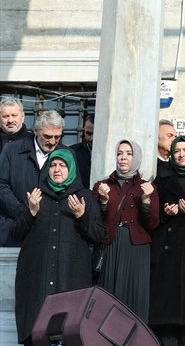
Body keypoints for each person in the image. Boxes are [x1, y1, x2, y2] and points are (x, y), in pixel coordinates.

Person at [12, 149, 104, 345]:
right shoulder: (36, 194)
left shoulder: (84, 197)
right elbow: (16, 232)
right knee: (36, 334)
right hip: (37, 282)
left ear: (70, 168)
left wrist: (82, 216)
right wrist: (31, 212)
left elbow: (98, 235)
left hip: (70, 279)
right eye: (53, 165)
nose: (57, 170)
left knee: (67, 333)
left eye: (62, 165)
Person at [93, 139, 160, 322]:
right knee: (107, 297)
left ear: (136, 157)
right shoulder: (102, 186)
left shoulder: (147, 187)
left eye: (129, 154)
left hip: (137, 249)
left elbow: (153, 224)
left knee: (134, 297)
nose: (123, 158)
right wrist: (104, 202)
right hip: (111, 245)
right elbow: (95, 222)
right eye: (120, 153)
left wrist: (146, 201)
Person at [150, 136, 185, 346]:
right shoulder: (161, 178)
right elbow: (151, 217)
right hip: (167, 253)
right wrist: (165, 213)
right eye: (177, 151)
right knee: (167, 318)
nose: (181, 155)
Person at [0, 109, 70, 247]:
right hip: (13, 228)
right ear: (36, 131)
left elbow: (72, 189)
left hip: (49, 232)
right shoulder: (11, 150)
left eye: (57, 137)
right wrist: (22, 212)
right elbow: (1, 185)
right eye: (48, 136)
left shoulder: (67, 155)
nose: (52, 141)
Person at [71, 114, 94, 189]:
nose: (91, 138)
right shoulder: (73, 152)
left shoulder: (114, 153)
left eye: (95, 133)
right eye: (89, 133)